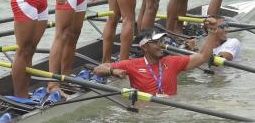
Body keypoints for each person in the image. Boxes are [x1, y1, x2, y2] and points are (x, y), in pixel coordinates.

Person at [93, 18, 224, 96]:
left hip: (170, 109)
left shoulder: (173, 62)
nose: (161, 45)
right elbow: (98, 69)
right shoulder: (131, 64)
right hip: (146, 110)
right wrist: (112, 71)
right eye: (156, 42)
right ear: (144, 47)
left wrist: (212, 32)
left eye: (161, 41)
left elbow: (202, 57)